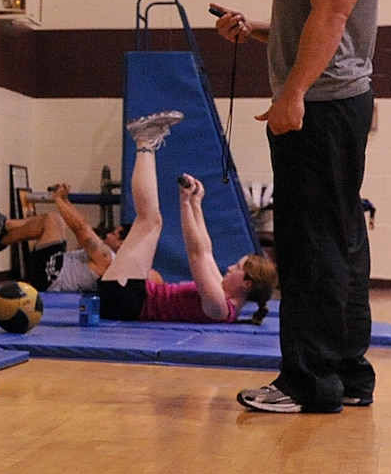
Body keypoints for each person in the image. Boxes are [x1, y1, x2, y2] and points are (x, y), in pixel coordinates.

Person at [214, 0, 385, 414]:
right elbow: (319, 22)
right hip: (331, 99)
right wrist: (259, 30)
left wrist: (291, 95)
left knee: (310, 245)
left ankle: (307, 384)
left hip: (320, 106)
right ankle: (348, 375)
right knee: (339, 243)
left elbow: (333, 17)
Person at [93, 112, 278, 325]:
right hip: (129, 297)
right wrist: (194, 203)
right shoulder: (221, 293)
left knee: (150, 221)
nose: (229, 268)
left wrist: (186, 205)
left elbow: (196, 254)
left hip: (126, 301)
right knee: (150, 220)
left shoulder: (219, 306)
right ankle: (146, 143)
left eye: (237, 268)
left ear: (246, 284)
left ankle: (144, 141)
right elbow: (206, 250)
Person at [0, 185, 130, 293]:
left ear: (122, 244)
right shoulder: (108, 254)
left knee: (51, 220)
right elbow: (84, 225)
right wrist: (65, 200)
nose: (109, 234)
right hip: (54, 269)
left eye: (114, 234)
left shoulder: (107, 257)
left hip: (51, 277)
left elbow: (80, 229)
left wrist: (57, 199)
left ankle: (2, 235)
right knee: (57, 220)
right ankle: (4, 228)